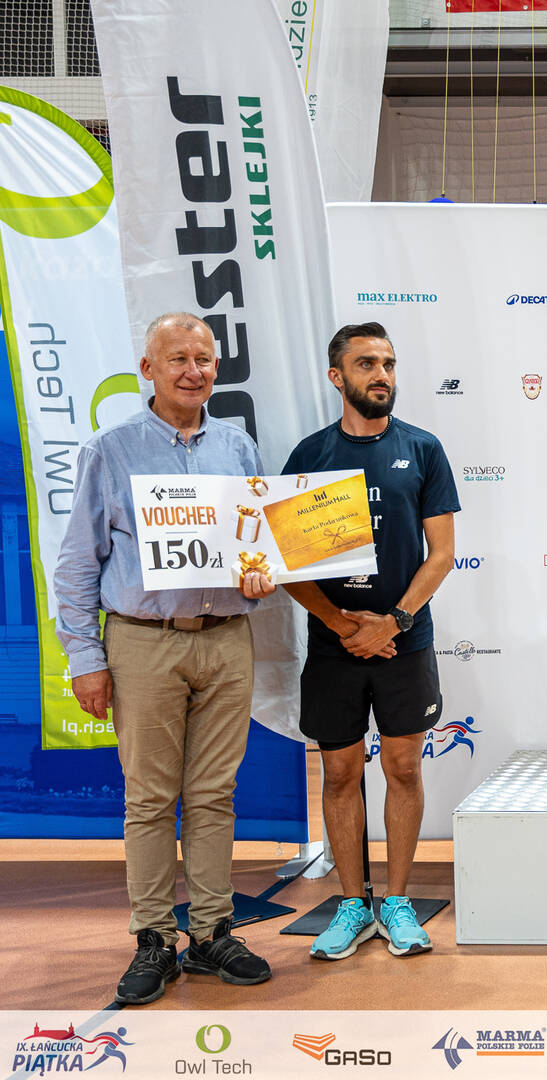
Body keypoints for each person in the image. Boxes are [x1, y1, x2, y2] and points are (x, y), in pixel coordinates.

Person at [54, 312, 275, 1005]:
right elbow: (75, 565)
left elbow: (257, 544)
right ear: (147, 369)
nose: (192, 370)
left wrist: (261, 574)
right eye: (177, 358)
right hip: (142, 641)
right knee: (149, 798)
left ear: (216, 368)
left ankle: (210, 932)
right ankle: (153, 937)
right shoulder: (110, 449)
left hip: (226, 638)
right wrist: (85, 657)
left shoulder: (238, 447)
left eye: (203, 358)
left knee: (213, 794)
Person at [282, 322, 458, 960]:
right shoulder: (309, 456)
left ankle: (399, 902)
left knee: (403, 768)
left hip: (404, 642)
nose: (381, 374)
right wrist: (343, 625)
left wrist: (393, 622)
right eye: (366, 364)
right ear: (337, 377)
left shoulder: (423, 448)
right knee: (338, 772)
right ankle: (352, 904)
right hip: (336, 647)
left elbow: (442, 554)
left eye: (388, 363)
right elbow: (288, 565)